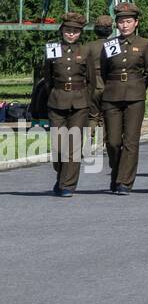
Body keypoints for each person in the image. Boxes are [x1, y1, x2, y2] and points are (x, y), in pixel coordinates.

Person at [98, 2, 148, 195]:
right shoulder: (110, 44)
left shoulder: (144, 45)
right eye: (121, 21)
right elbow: (104, 71)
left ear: (136, 23)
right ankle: (117, 172)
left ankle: (124, 181)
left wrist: (137, 87)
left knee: (130, 140)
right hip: (112, 95)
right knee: (113, 141)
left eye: (128, 21)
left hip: (135, 96)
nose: (124, 25)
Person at [38, 12, 95, 197]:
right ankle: (62, 176)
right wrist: (54, 95)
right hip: (57, 100)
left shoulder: (85, 51)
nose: (71, 34)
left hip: (79, 102)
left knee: (74, 145)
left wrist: (85, 99)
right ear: (62, 30)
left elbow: (91, 81)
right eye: (68, 30)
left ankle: (67, 185)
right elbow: (47, 78)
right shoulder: (52, 49)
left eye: (76, 31)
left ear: (80, 33)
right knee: (58, 145)